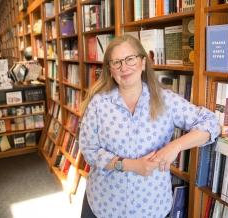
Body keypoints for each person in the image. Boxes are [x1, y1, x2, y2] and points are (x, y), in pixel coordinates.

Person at [78, 35, 220, 218]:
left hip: (151, 208)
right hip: (104, 205)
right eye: (116, 62)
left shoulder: (165, 99)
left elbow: (211, 122)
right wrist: (129, 165)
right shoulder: (99, 103)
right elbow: (89, 149)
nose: (124, 67)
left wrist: (175, 146)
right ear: (110, 70)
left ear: (143, 63)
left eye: (130, 59)